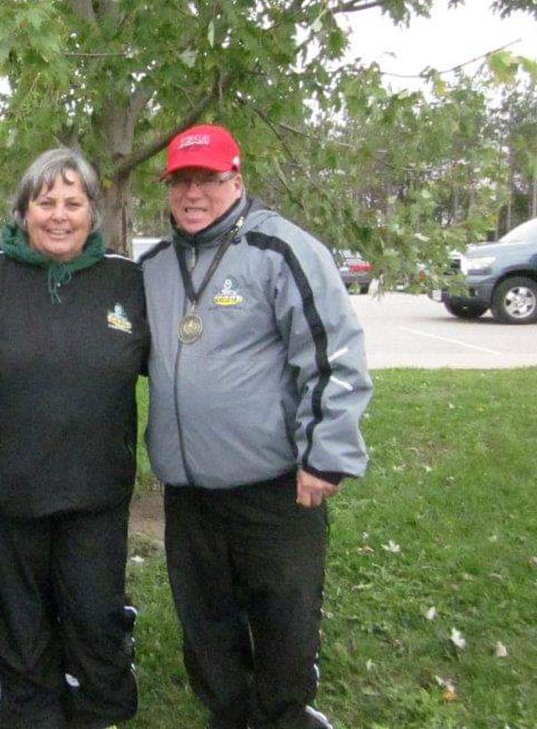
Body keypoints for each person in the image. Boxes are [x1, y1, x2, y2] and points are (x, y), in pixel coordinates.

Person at [140, 124, 372, 729]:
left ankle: (285, 713)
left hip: (272, 482)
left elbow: (332, 354)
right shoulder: (156, 266)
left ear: (236, 179)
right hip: (188, 490)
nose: (194, 193)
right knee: (205, 614)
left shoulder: (281, 249)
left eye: (209, 179)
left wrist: (325, 453)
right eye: (181, 181)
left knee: (283, 612)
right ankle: (227, 710)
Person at [0, 147, 149, 729]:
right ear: (23, 210)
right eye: (45, 202)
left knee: (93, 613)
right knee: (17, 619)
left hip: (94, 493)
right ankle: (27, 708)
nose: (59, 215)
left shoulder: (125, 280)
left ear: (94, 212)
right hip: (0, 493)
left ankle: (99, 704)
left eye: (73, 202)